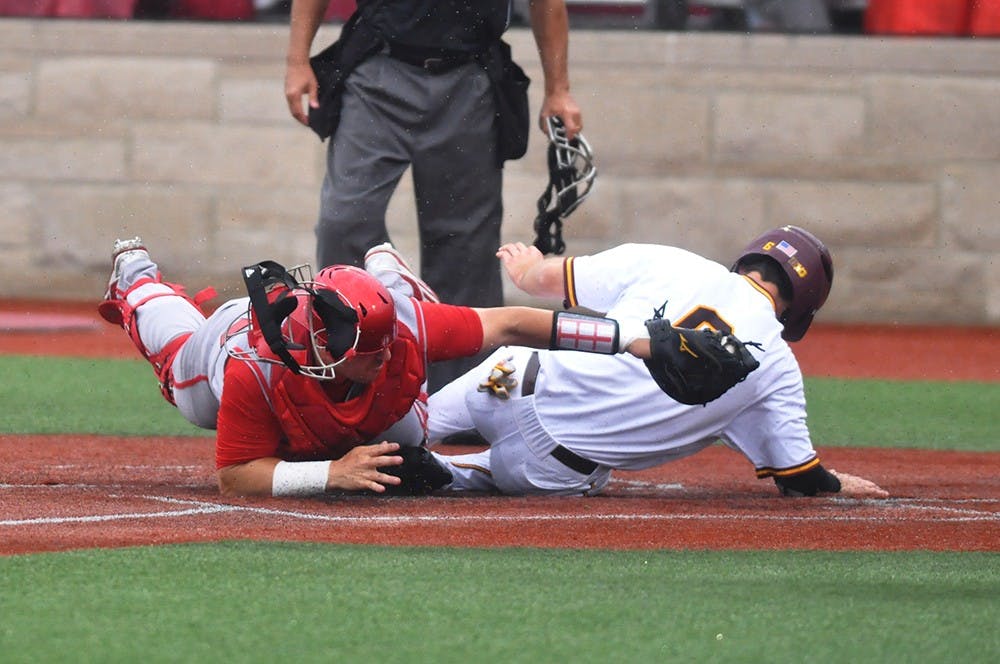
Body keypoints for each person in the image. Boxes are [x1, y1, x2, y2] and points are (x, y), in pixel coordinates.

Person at [98, 236, 640, 498]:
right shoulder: (251, 368)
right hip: (221, 345)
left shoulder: (403, 332)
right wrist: (330, 473)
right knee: (179, 377)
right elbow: (236, 477)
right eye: (369, 352)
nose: (383, 358)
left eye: (386, 347)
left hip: (369, 379)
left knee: (414, 434)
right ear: (325, 348)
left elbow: (515, 324)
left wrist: (629, 340)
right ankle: (137, 279)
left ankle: (389, 273)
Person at [428, 226, 889, 499]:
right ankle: (447, 471)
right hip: (548, 465)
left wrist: (528, 267)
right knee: (448, 475)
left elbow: (539, 280)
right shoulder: (776, 367)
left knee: (405, 423)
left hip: (505, 380)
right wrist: (831, 485)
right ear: (801, 306)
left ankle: (388, 435)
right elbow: (799, 479)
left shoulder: (673, 262)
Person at [283, 0, 583, 393]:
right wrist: (296, 60)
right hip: (377, 68)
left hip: (469, 73)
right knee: (345, 218)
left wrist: (558, 89)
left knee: (464, 245)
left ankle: (462, 397)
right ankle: (344, 375)